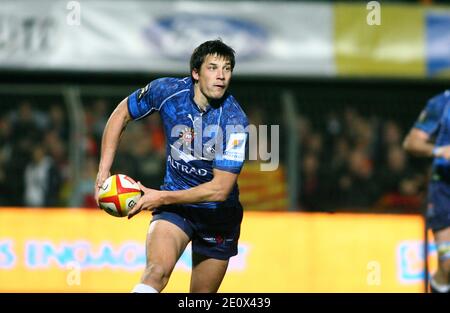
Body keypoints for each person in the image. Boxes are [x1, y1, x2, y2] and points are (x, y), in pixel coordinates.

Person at [95, 39, 249, 293]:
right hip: (176, 209)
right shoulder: (167, 91)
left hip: (217, 217)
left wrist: (161, 197)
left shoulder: (234, 121)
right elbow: (121, 113)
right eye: (213, 68)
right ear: (195, 73)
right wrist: (103, 170)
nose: (221, 76)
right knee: (155, 273)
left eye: (227, 68)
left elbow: (220, 190)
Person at [403, 90, 450, 293]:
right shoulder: (441, 104)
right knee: (448, 266)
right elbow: (411, 142)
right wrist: (439, 151)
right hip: (444, 190)